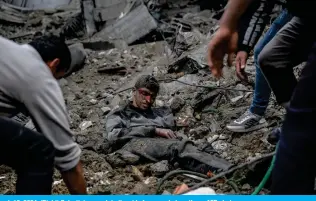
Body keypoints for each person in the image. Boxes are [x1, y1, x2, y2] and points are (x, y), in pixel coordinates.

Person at [207, 0, 316, 194]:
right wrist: (240, 40)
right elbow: (262, 4)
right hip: (304, 13)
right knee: (269, 57)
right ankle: (295, 123)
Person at [0, 35, 87, 194]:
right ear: (54, 64)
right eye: (57, 78)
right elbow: (68, 161)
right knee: (39, 150)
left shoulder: (8, 50)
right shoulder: (37, 73)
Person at [105, 75, 232, 174]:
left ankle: (230, 169)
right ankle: (226, 172)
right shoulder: (120, 114)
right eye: (144, 94)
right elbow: (113, 136)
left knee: (202, 145)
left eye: (152, 96)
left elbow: (173, 128)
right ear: (134, 91)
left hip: (163, 145)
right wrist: (153, 130)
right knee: (177, 147)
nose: (148, 100)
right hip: (134, 144)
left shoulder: (159, 113)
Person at [227, 1, 293, 133]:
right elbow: (261, 6)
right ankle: (257, 112)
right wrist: (244, 47)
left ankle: (302, 116)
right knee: (263, 53)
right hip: (295, 11)